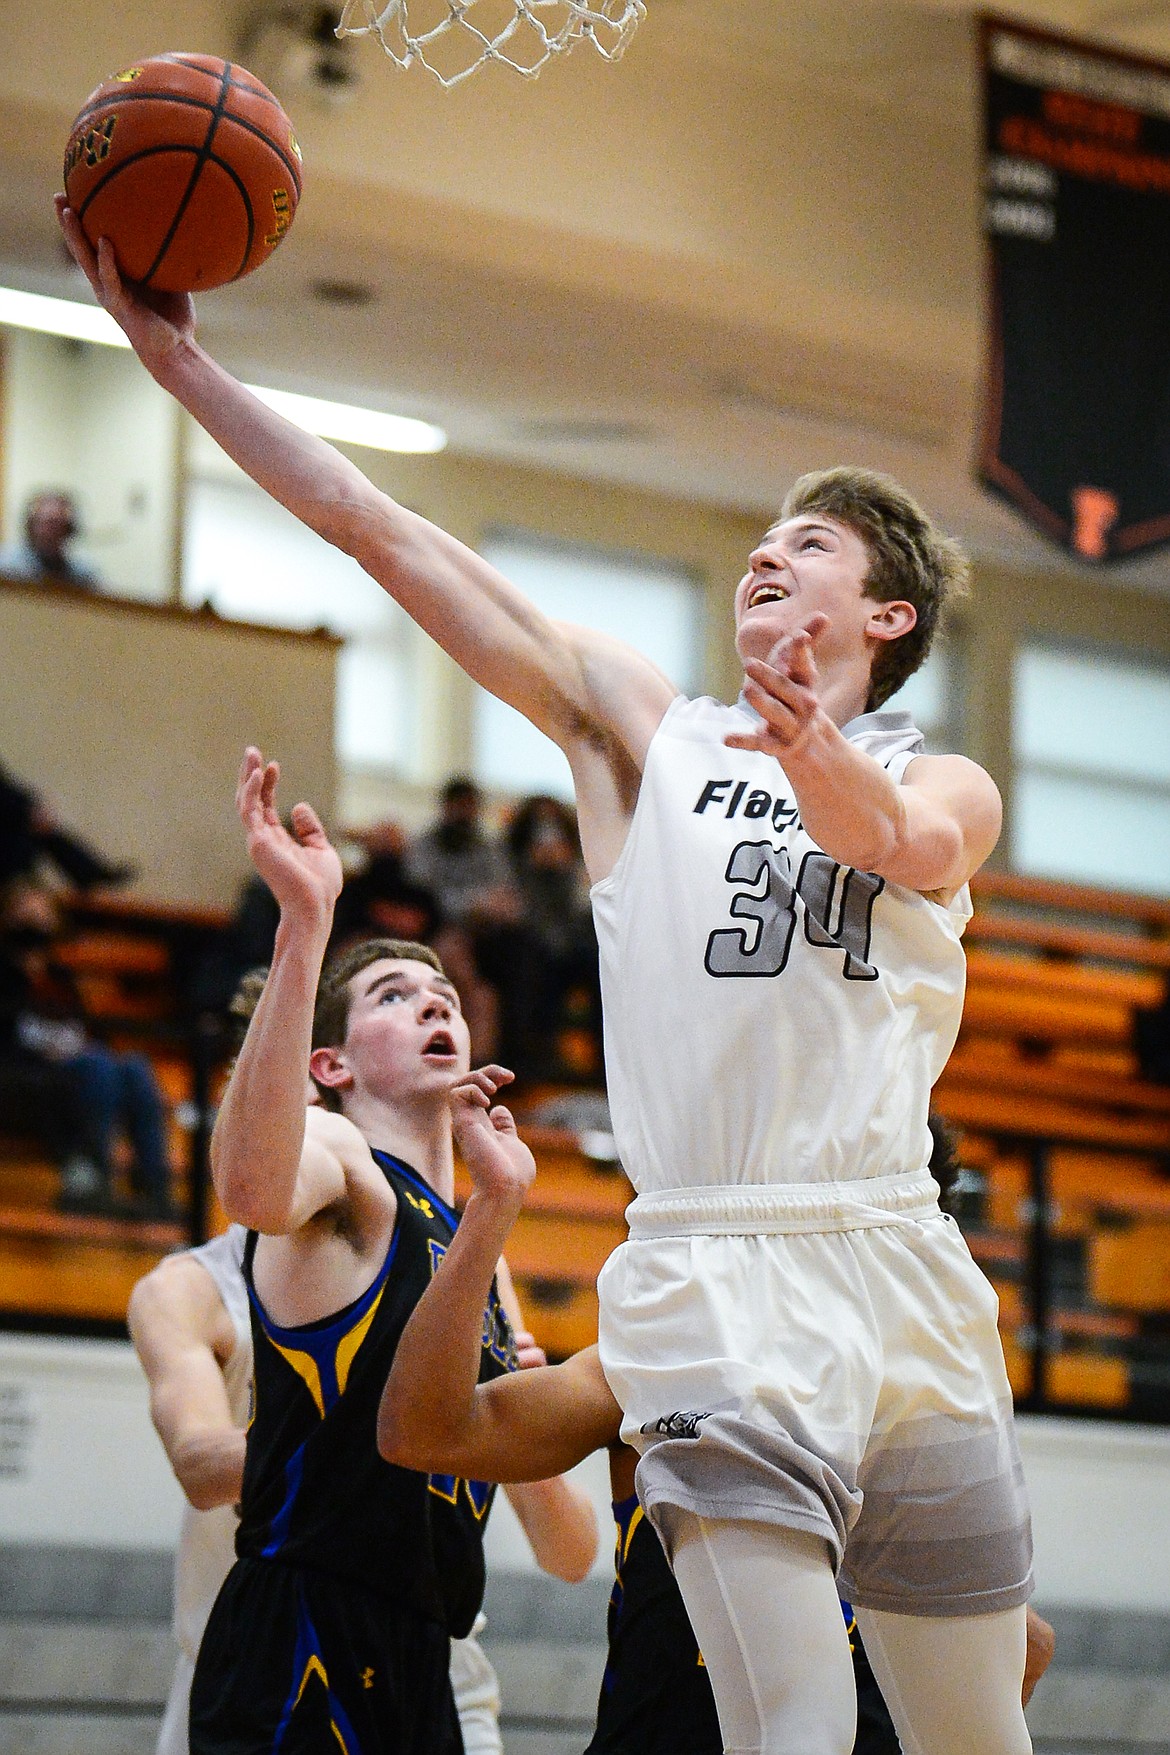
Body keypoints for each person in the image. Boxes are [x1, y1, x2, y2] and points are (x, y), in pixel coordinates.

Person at [62, 207, 1033, 1754]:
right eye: (759, 550)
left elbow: (908, 841)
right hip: (717, 1259)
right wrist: (180, 364)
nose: (767, 562)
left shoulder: (945, 773)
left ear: (884, 617)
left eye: (811, 550)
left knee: (976, 1734)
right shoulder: (648, 732)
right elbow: (383, 529)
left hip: (899, 1254)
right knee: (791, 1726)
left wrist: (815, 756)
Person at [376, 1095, 1056, 1753]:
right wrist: (491, 1210)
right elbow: (427, 1432)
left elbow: (1028, 1644)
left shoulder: (923, 1407)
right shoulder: (669, 1355)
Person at [184, 747, 594, 1753]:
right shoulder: (341, 1162)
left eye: (443, 996)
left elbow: (573, 1551)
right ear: (331, 1064)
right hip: (305, 1627)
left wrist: (515, 1420)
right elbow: (245, 1188)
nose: (432, 1004)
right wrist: (305, 929)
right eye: (393, 998)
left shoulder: (480, 1250)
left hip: (426, 1654)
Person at [128, 1222, 597, 1755]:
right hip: (254, 1674)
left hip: (437, 1676)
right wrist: (402, 1425)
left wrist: (502, 1419)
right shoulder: (188, 1289)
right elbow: (199, 1467)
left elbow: (572, 1553)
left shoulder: (461, 1254)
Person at [0, 879, 175, 1215]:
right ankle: (91, 1180)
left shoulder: (61, 979)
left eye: (42, 917)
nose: (35, 926)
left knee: (134, 1066)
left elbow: (92, 1035)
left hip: (75, 1074)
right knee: (95, 1066)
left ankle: (155, 1187)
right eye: (26, 917)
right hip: (20, 1080)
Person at [0, 488, 100, 589]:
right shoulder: (6, 566)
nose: (50, 532)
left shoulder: (83, 576)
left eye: (58, 525)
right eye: (46, 523)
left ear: (69, 530)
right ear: (31, 526)